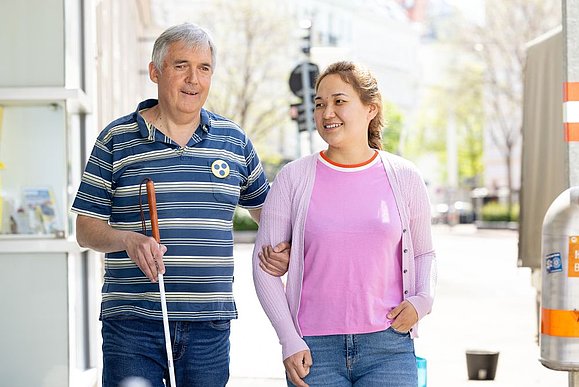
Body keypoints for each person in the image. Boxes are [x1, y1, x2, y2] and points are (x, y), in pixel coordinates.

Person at [72, 22, 289, 387]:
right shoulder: (116, 139)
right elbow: (85, 228)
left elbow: (267, 214)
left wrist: (283, 249)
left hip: (209, 325)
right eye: (181, 65)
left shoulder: (233, 141)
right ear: (155, 71)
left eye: (204, 68)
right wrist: (128, 239)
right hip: (133, 324)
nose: (193, 79)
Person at [253, 61, 436, 387]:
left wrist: (422, 301)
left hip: (388, 346)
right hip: (313, 350)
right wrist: (288, 338)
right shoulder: (293, 178)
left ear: (370, 108)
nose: (327, 113)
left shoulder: (404, 177)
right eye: (320, 104)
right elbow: (264, 266)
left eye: (339, 101)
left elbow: (424, 253)